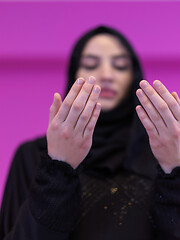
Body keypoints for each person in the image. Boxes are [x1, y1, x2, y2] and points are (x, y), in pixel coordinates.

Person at [0, 25, 180, 240]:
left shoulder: (165, 152)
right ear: (73, 73)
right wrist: (59, 167)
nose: (106, 75)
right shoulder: (35, 155)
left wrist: (175, 171)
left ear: (134, 76)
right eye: (90, 64)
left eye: (121, 66)